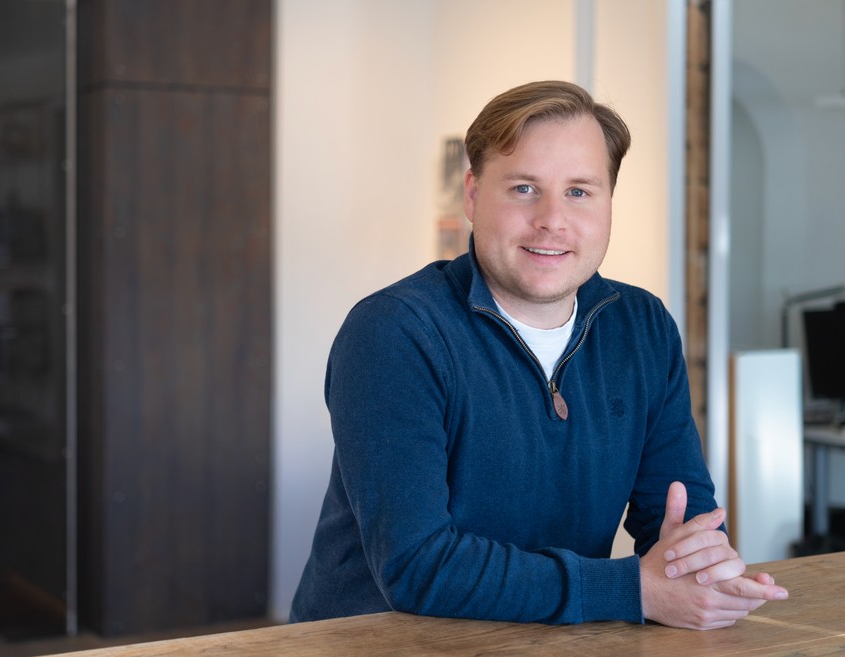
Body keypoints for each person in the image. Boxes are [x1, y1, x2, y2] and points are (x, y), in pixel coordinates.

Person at [290, 80, 788, 629]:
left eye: (580, 191)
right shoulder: (396, 332)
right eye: (525, 188)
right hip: (377, 654)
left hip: (555, 649)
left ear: (609, 203)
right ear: (473, 195)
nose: (552, 219)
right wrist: (632, 590)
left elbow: (680, 515)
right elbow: (417, 566)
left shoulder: (642, 328)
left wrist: (702, 567)